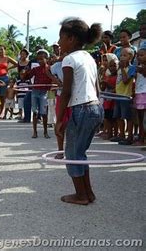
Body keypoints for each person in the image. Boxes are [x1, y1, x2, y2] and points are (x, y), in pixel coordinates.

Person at [55, 17, 103, 205]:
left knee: (73, 155)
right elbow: (97, 88)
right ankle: (88, 193)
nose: (59, 42)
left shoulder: (69, 59)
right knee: (80, 153)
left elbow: (66, 93)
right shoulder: (89, 57)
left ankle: (81, 195)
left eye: (61, 38)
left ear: (72, 38)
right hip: (95, 107)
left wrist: (59, 120)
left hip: (81, 109)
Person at [22, 49, 53, 139]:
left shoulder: (50, 68)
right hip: (35, 91)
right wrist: (25, 72)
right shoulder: (35, 69)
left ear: (46, 59)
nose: (39, 61)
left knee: (44, 113)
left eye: (41, 59)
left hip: (45, 92)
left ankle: (45, 132)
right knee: (34, 112)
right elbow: (26, 78)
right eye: (38, 59)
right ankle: (35, 132)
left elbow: (54, 78)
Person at [112, 47, 135, 145]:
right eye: (121, 55)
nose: (121, 57)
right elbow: (118, 82)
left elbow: (125, 81)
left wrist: (122, 68)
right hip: (118, 95)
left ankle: (129, 136)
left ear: (130, 57)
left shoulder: (131, 68)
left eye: (124, 55)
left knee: (128, 117)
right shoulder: (119, 69)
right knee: (119, 116)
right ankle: (121, 135)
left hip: (126, 96)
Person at [0, 44, 18, 116]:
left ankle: (0, 113)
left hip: (4, 78)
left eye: (2, 49)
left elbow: (16, 64)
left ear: (5, 50)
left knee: (2, 96)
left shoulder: (7, 58)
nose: (0, 51)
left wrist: (9, 68)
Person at [100, 53, 119, 140]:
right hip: (107, 99)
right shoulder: (107, 75)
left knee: (114, 117)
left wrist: (107, 84)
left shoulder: (118, 76)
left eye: (114, 66)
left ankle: (116, 133)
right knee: (107, 117)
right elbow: (103, 88)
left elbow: (116, 88)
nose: (112, 68)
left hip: (114, 99)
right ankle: (109, 132)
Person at [133, 44, 146, 146]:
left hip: (144, 93)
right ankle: (141, 138)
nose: (138, 57)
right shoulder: (137, 67)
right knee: (140, 118)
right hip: (138, 93)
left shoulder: (142, 68)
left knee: (144, 118)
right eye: (138, 55)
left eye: (141, 55)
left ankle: (143, 139)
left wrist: (142, 70)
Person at [16, 49, 31, 121]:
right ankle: (20, 114)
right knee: (20, 97)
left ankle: (26, 115)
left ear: (27, 55)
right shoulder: (19, 62)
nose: (22, 55)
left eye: (24, 54)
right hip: (20, 80)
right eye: (21, 54)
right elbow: (17, 70)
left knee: (26, 97)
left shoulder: (29, 62)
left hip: (27, 80)